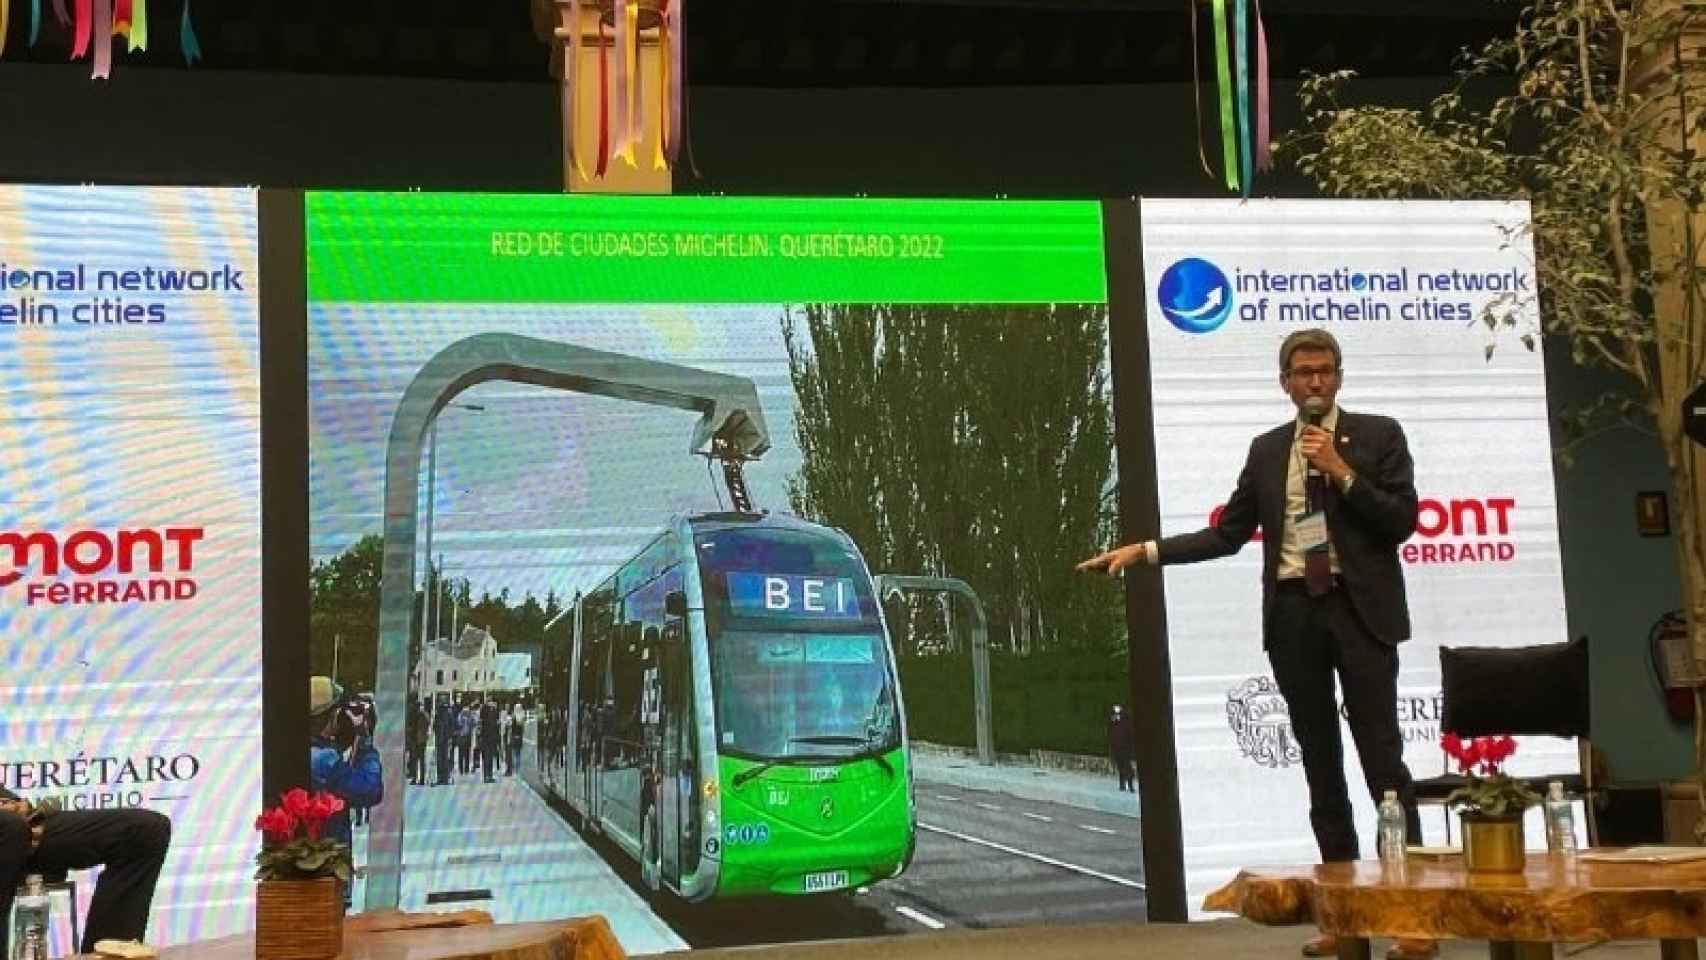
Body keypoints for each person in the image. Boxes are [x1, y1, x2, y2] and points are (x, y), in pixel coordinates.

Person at [1077, 328, 1432, 960]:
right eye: (1302, 372)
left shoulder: (1380, 436)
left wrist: (1342, 473)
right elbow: (1228, 534)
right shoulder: (1268, 451)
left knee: (1384, 766)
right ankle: (1345, 920)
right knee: (1322, 769)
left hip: (1360, 614)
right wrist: (1146, 551)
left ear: (1339, 377)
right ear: (1285, 383)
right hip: (1295, 614)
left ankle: (1411, 916)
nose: (1314, 381)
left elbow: (1401, 521)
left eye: (1324, 370)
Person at [0, 791, 170, 956]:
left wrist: (14, 804)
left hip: (21, 823)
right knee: (10, 826)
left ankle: (108, 955)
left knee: (145, 830)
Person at [1107, 704, 1136, 793]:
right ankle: (1122, 784)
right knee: (1121, 766)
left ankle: (1130, 785)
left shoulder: (1126, 719)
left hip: (1125, 746)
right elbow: (1110, 727)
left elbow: (1129, 730)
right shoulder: (1113, 721)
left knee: (1127, 766)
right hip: (1117, 746)